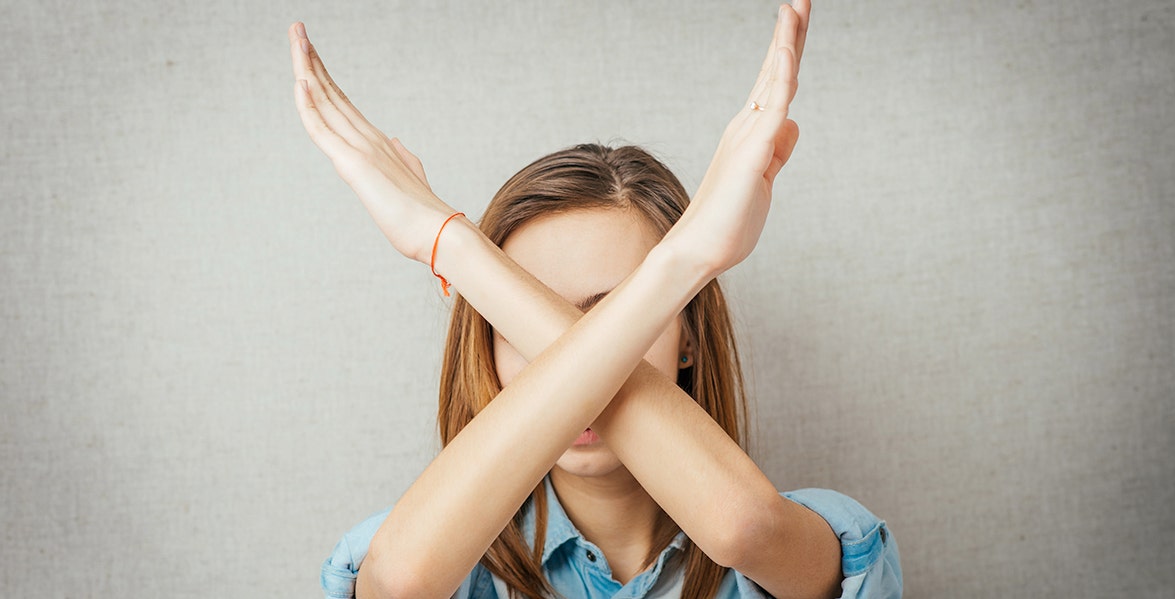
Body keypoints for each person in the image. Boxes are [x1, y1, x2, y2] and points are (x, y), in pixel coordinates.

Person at [290, 2, 900, 597]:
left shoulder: (821, 542)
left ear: (689, 336)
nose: (577, 369)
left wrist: (452, 248)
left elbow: (742, 528)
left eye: (613, 313)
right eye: (518, 321)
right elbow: (398, 586)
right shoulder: (427, 551)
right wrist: (453, 248)